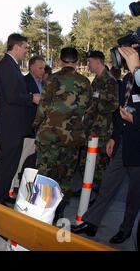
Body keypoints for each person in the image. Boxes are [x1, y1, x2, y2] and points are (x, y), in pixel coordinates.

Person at [72, 68, 140, 244]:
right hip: (123, 143)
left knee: (134, 195)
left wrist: (136, 120)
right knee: (107, 185)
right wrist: (114, 137)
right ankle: (91, 222)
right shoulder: (129, 78)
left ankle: (125, 229)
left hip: (138, 147)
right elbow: (121, 110)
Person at [34, 47, 91, 217]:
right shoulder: (85, 82)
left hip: (49, 135)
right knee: (66, 176)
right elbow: (87, 108)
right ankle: (59, 211)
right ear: (77, 62)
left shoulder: (52, 79)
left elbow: (43, 107)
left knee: (45, 173)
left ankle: (42, 211)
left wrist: (36, 125)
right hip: (72, 137)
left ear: (60, 61)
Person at [0, 33, 40, 205]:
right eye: (25, 47)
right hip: (9, 126)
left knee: (11, 164)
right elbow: (11, 96)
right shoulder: (6, 66)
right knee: (7, 164)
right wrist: (31, 98)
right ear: (17, 46)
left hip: (13, 125)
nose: (26, 51)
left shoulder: (11, 65)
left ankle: (3, 194)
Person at [81, 51, 119, 187]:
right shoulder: (97, 79)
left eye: (89, 61)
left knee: (99, 165)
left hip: (102, 129)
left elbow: (114, 104)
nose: (88, 65)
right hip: (92, 127)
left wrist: (96, 106)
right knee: (88, 162)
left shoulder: (110, 81)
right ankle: (88, 189)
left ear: (98, 62)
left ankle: (99, 195)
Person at [24, 56, 46, 136]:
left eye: (44, 68)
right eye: (40, 68)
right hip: (29, 128)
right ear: (32, 68)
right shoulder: (23, 82)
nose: (43, 71)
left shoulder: (45, 83)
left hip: (43, 128)